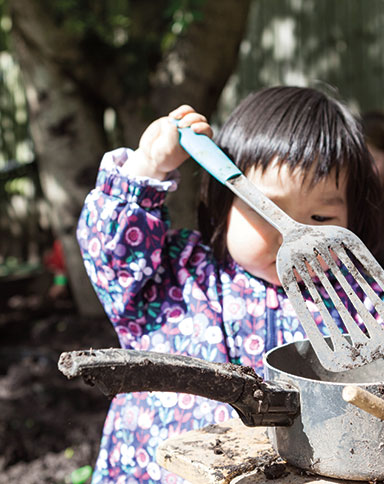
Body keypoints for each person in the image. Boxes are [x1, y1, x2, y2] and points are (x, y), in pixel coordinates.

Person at [77, 86, 382, 484]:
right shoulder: (178, 277)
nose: (287, 232)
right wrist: (148, 166)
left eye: (321, 216)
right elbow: (111, 258)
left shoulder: (359, 302)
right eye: (263, 207)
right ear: (224, 202)